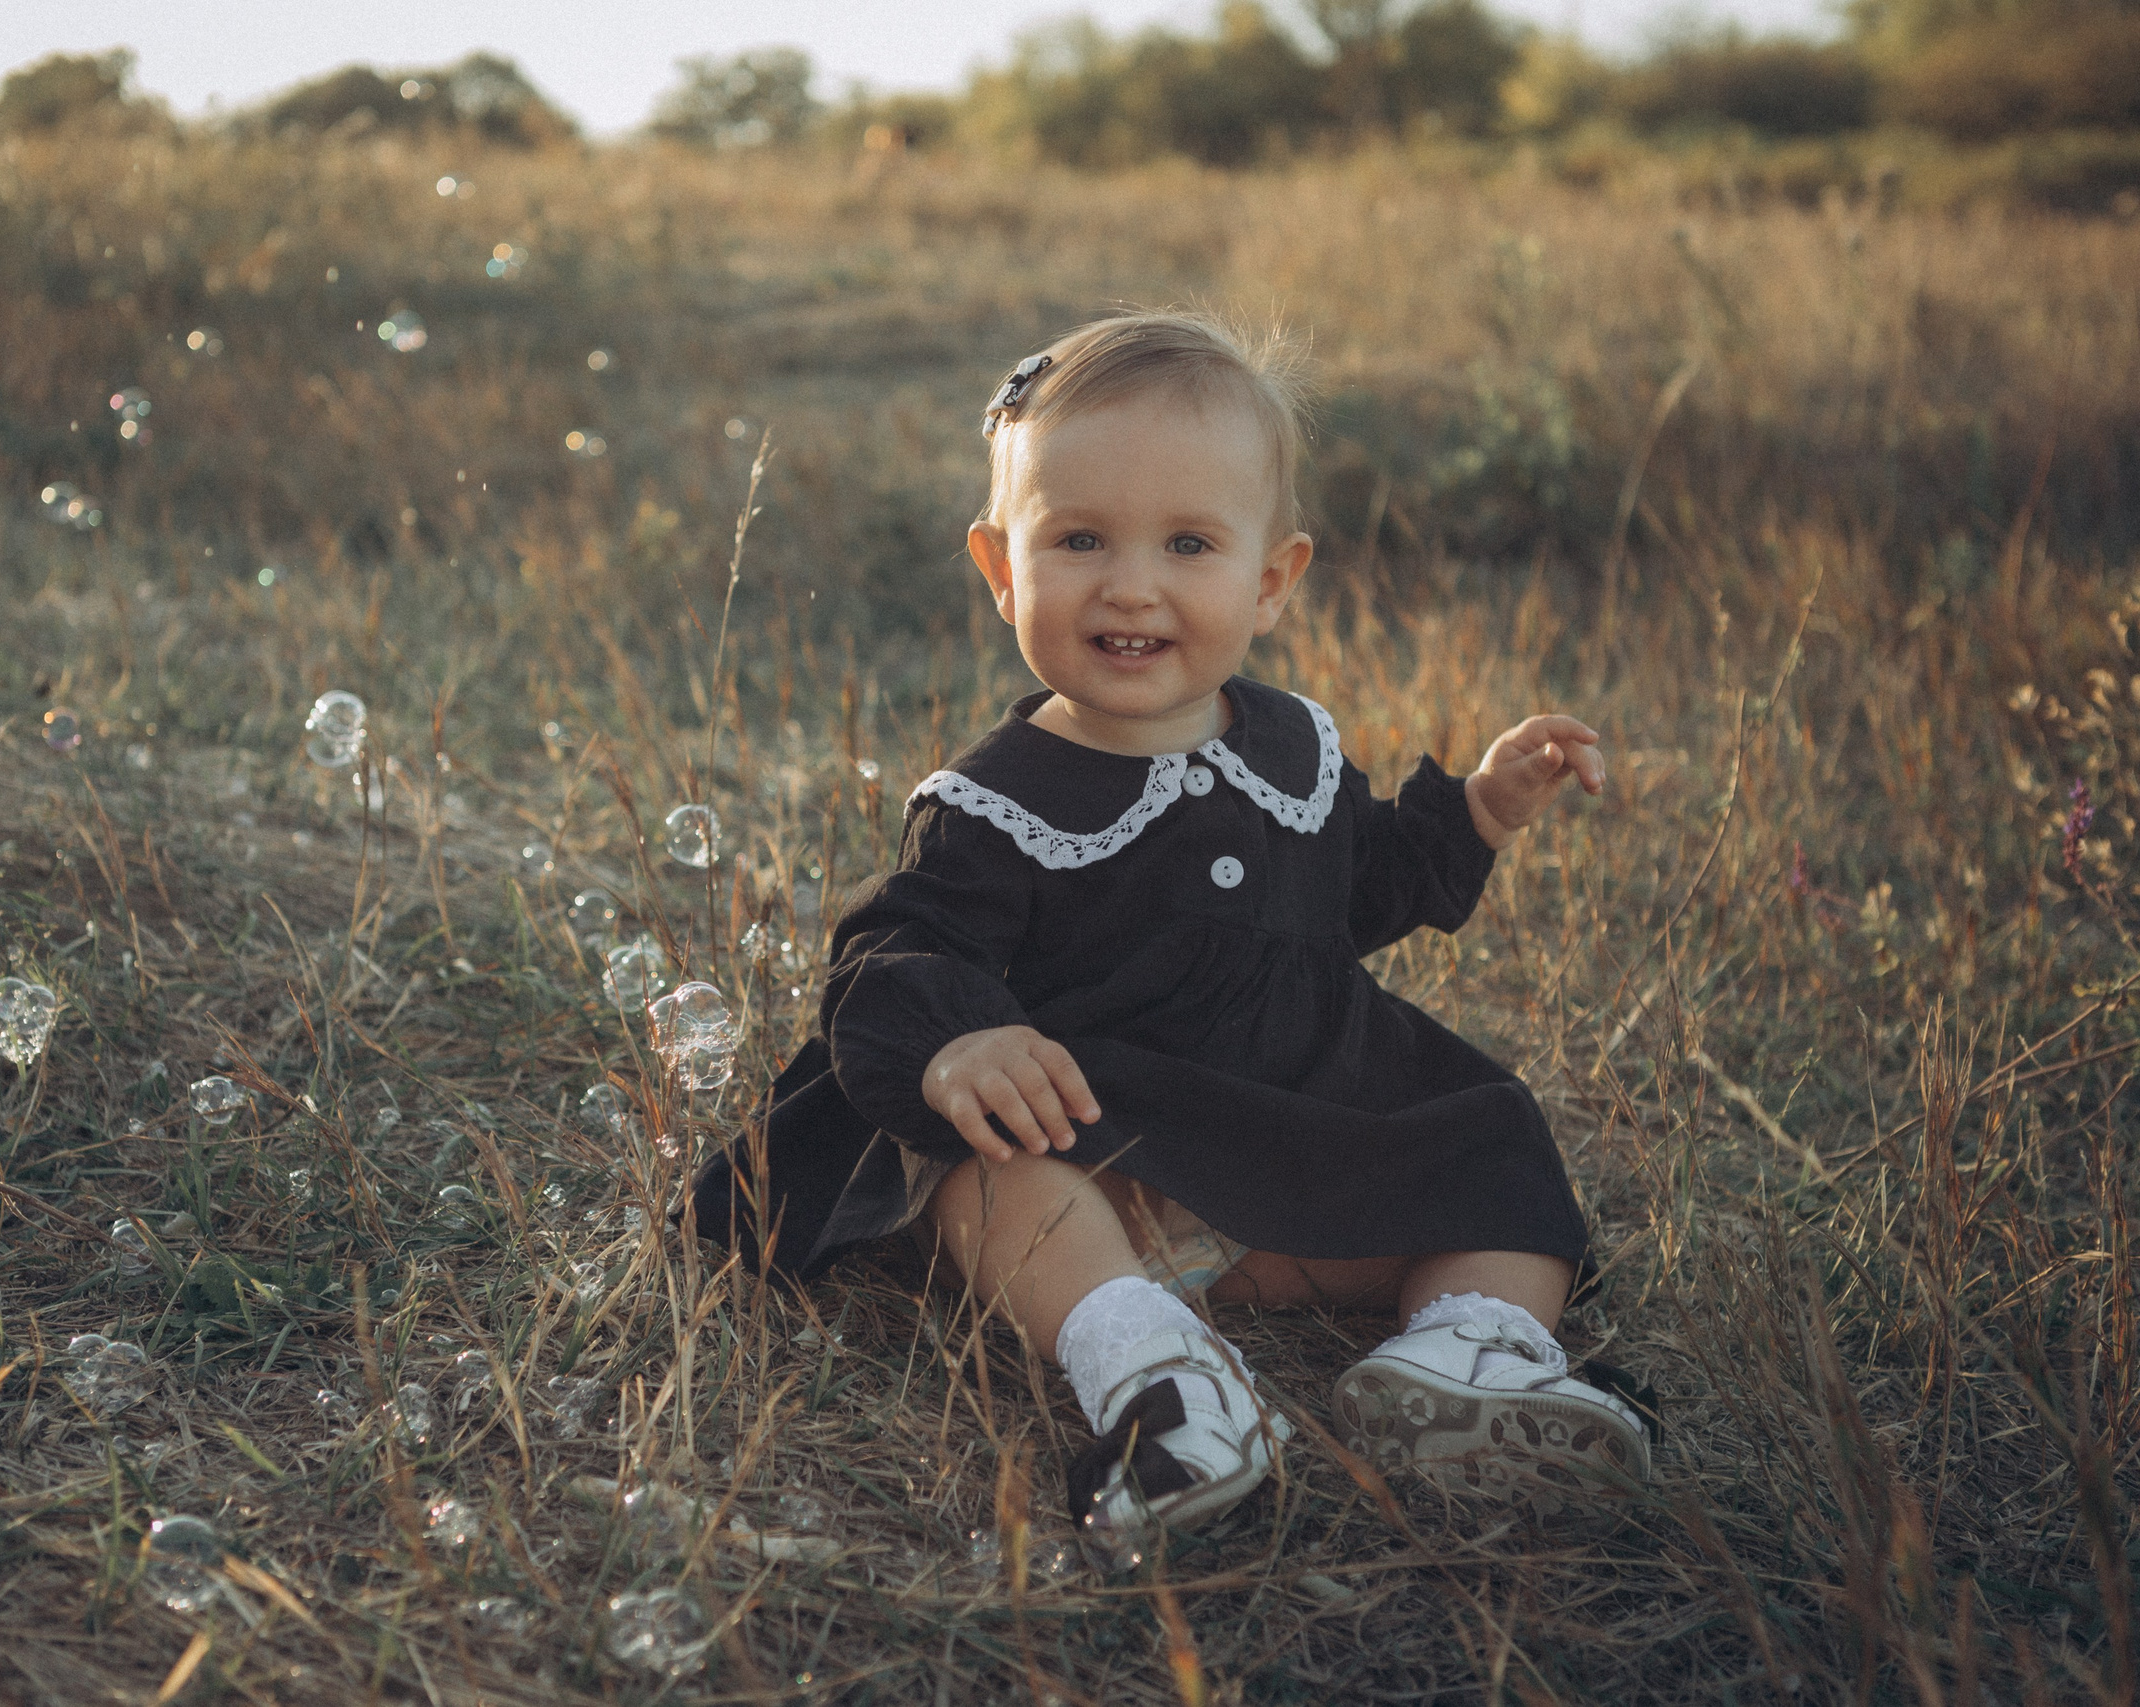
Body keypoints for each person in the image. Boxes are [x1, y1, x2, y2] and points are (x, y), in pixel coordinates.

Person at [688, 311, 1651, 1545]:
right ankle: (1157, 1375)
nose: (1130, 583)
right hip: (1111, 1165)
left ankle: (1468, 1355)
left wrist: (1476, 808)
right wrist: (957, 1045)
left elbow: (1344, 893)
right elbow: (891, 958)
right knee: (986, 1173)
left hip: (1290, 1139)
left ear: (1269, 579)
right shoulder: (997, 802)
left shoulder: (1294, 745)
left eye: (1187, 542)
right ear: (999, 569)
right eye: (1078, 538)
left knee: (1493, 1145)